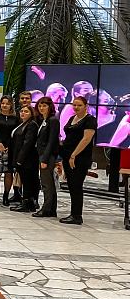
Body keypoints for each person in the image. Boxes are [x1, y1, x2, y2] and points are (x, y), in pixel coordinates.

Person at [60, 96, 97, 225]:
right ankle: (73, 213)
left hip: (80, 157)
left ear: (86, 106)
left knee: (76, 185)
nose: (76, 107)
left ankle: (76, 215)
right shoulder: (72, 118)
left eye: (79, 105)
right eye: (74, 105)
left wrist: (74, 155)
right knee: (71, 185)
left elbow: (86, 139)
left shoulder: (90, 120)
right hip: (67, 155)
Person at [0, 95, 20, 207]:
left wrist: (9, 146)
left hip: (10, 148)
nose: (5, 105)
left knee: (8, 172)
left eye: (7, 103)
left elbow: (17, 133)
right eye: (3, 103)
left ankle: (6, 195)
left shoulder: (16, 118)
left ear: (11, 105)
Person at [8, 105, 40, 212]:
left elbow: (28, 143)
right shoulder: (22, 124)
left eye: (26, 111)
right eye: (22, 111)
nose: (23, 113)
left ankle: (27, 204)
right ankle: (27, 202)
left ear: (31, 114)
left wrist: (20, 158)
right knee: (25, 181)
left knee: (27, 182)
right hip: (19, 156)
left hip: (27, 159)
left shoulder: (32, 125)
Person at [33, 97, 60, 217]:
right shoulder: (43, 120)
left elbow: (52, 141)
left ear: (50, 107)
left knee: (46, 183)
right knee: (48, 183)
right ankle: (51, 209)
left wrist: (44, 158)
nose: (41, 108)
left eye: (44, 106)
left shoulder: (53, 120)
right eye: (40, 106)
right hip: (42, 154)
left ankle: (46, 209)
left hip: (47, 155)